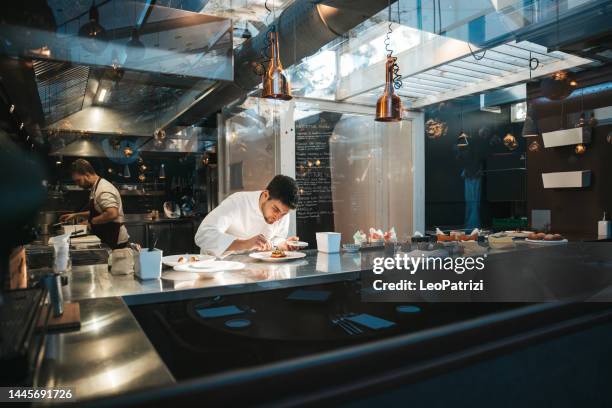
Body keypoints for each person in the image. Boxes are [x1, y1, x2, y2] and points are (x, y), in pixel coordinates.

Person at [195, 175, 300, 256]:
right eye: (275, 209)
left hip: (254, 269)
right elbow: (203, 235)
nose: (278, 218)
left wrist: (283, 244)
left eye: (284, 214)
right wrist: (244, 244)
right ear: (265, 195)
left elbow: (276, 239)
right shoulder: (237, 202)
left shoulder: (282, 213)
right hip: (218, 268)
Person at [59, 159, 130, 249]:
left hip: (115, 239)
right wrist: (76, 215)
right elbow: (98, 212)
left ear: (87, 175)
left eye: (78, 180)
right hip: (107, 237)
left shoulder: (103, 189)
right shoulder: (96, 187)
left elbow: (112, 214)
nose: (78, 184)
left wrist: (90, 222)